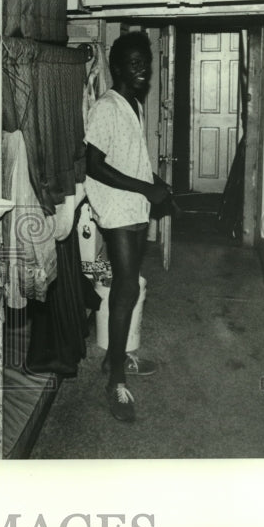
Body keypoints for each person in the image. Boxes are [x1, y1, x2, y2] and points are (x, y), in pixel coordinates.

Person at [84, 31, 172, 422]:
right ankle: (114, 379)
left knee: (130, 285)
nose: (143, 71)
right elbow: (93, 163)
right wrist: (145, 188)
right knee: (124, 288)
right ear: (117, 67)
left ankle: (115, 359)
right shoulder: (106, 106)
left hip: (134, 203)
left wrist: (155, 182)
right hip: (117, 208)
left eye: (146, 64)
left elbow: (129, 158)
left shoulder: (133, 104)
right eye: (135, 64)